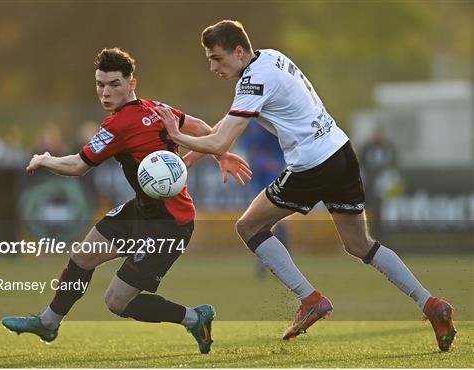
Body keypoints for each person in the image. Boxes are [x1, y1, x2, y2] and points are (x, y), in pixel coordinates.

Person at [156, 20, 456, 352]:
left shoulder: (252, 80)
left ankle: (309, 298)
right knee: (360, 245)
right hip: (341, 151)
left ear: (239, 51)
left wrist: (177, 136)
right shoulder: (268, 58)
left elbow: (221, 139)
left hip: (312, 163)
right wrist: (193, 159)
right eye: (210, 60)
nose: (213, 66)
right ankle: (432, 305)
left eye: (217, 58)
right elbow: (222, 134)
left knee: (249, 226)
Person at [2, 47, 252, 354]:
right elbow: (204, 129)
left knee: (116, 302)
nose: (105, 93)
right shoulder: (155, 108)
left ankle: (194, 317)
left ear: (131, 84)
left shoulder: (118, 124)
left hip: (169, 224)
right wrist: (197, 159)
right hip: (142, 210)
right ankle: (49, 322)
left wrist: (46, 159)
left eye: (114, 84)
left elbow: (79, 166)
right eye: (100, 85)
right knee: (82, 257)